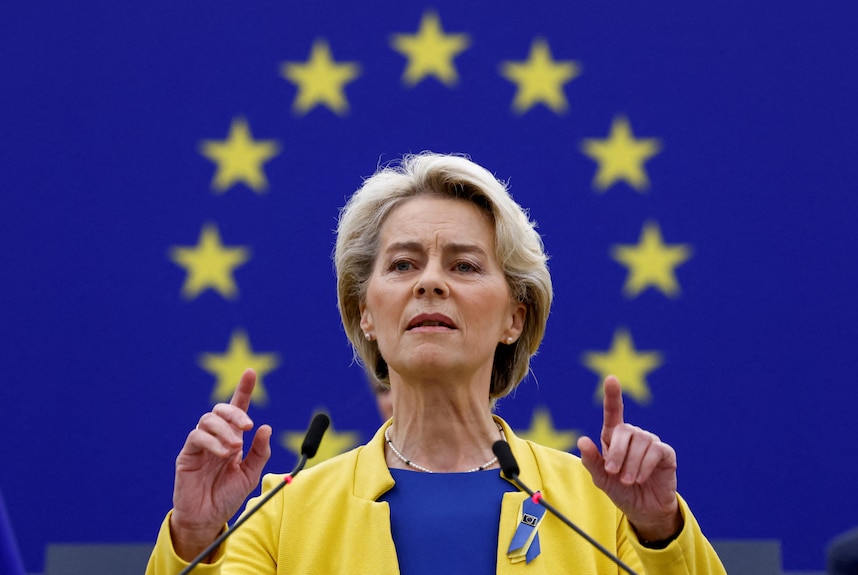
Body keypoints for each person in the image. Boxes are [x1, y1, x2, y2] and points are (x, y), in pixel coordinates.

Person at [147, 152, 727, 574]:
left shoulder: (602, 507)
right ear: (365, 312)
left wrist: (659, 532)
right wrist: (195, 533)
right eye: (402, 265)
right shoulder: (283, 512)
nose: (429, 283)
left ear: (515, 317)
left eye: (465, 266)